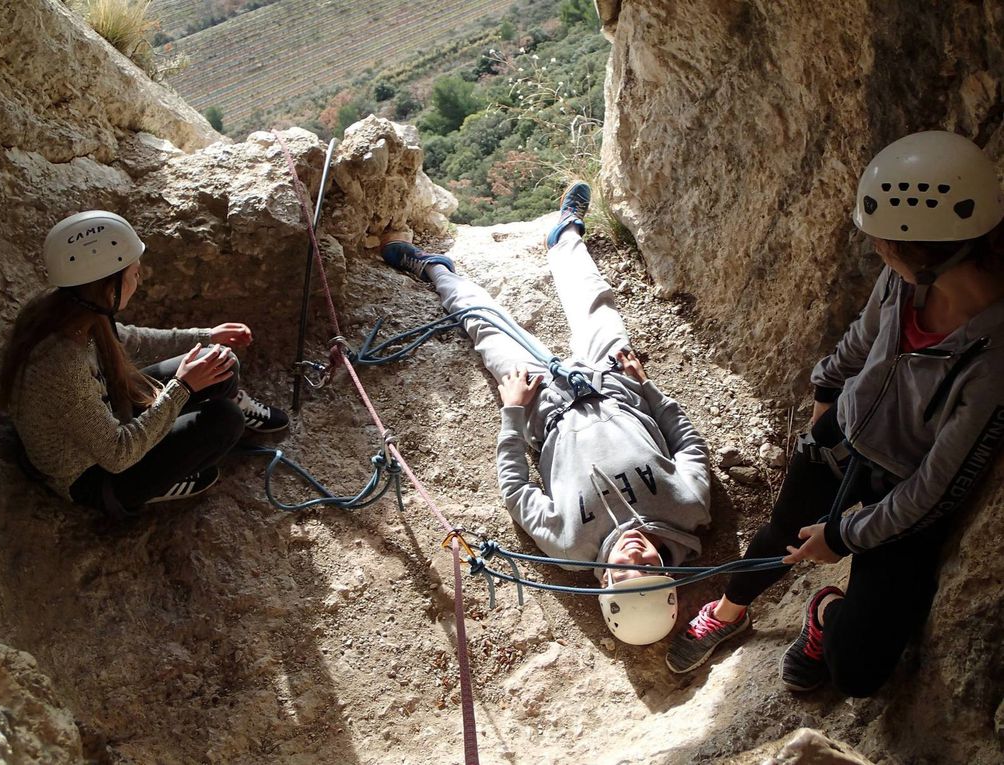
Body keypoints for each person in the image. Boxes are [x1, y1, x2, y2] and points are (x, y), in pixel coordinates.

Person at [665, 131, 1004, 696]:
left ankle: (824, 613)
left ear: (926, 252)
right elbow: (860, 341)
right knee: (780, 533)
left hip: (903, 491)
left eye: (884, 243)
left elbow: (936, 490)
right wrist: (827, 393)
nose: (877, 252)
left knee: (859, 673)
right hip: (841, 442)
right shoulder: (906, 281)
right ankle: (728, 612)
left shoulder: (992, 359)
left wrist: (844, 536)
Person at [381, 183, 712, 645]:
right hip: (617, 385)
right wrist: (645, 386)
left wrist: (514, 411)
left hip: (543, 408)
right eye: (650, 568)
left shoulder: (572, 548)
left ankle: (436, 271)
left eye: (625, 572)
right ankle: (565, 235)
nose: (637, 555)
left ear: (605, 585)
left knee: (483, 323)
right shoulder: (689, 511)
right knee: (596, 303)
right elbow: (688, 443)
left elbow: (516, 493)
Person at [0, 210, 289, 519]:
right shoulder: (62, 367)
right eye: (134, 272)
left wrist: (205, 335)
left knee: (217, 361)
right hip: (95, 476)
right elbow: (117, 453)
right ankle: (154, 485)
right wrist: (183, 388)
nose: (140, 277)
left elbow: (129, 338)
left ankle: (222, 402)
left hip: (106, 413)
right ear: (110, 288)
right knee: (225, 420)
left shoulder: (70, 309)